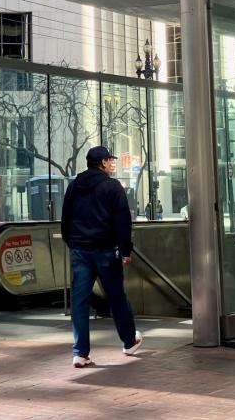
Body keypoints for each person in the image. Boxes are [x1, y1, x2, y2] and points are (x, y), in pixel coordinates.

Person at [61, 145, 143, 368]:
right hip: (106, 250)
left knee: (79, 302)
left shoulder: (74, 187)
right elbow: (122, 221)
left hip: (80, 250)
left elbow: (65, 219)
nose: (112, 163)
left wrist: (73, 242)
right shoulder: (112, 186)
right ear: (103, 163)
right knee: (116, 297)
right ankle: (129, 341)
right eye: (110, 160)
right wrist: (125, 250)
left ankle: (80, 353)